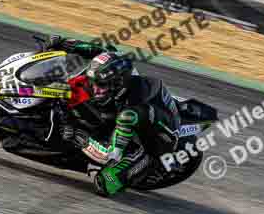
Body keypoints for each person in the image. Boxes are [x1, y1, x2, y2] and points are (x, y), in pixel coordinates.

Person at [46, 36, 182, 197]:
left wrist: (78, 136)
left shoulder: (132, 109)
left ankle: (143, 164)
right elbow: (103, 52)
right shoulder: (117, 73)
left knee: (104, 184)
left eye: (100, 86)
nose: (94, 89)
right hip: (131, 118)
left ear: (117, 85)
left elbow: (109, 155)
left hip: (152, 143)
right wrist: (64, 43)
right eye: (93, 82)